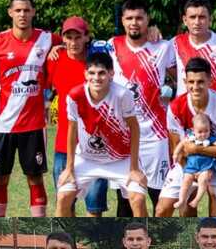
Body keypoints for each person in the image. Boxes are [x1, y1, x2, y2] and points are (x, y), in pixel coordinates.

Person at [0, 0, 60, 217]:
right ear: (10, 12)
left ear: (33, 12)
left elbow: (77, 41)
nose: (22, 14)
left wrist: (60, 48)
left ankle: (40, 224)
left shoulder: (48, 39)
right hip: (3, 123)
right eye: (18, 10)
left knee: (35, 177)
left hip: (34, 124)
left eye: (26, 10)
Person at [55, 51, 148, 217]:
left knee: (138, 199)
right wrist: (69, 168)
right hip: (87, 158)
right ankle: (65, 239)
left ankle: (145, 238)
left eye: (101, 73)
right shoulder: (75, 95)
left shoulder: (122, 95)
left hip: (120, 158)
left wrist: (134, 168)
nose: (96, 78)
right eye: (91, 73)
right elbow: (72, 129)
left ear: (111, 74)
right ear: (85, 74)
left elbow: (134, 128)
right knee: (62, 197)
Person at [108, 0, 176, 216]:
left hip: (155, 136)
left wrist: (171, 95)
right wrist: (59, 46)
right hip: (123, 136)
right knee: (126, 200)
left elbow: (182, 78)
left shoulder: (164, 47)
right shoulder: (112, 45)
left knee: (159, 197)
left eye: (139, 18)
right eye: (129, 18)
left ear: (148, 20)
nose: (134, 23)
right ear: (122, 20)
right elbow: (80, 48)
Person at [157, 57, 216, 216]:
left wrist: (197, 149)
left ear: (210, 80)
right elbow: (177, 148)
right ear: (185, 81)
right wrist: (191, 171)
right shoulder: (175, 107)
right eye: (191, 82)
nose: (195, 87)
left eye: (201, 82)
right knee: (163, 209)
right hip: (188, 165)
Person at [46, 15, 108, 217]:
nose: (73, 42)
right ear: (63, 39)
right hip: (64, 144)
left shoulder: (97, 64)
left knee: (94, 208)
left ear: (87, 37)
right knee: (64, 204)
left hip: (95, 146)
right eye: (68, 37)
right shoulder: (54, 60)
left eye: (78, 37)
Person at [173, 113, 216, 210]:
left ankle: (197, 200)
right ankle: (181, 200)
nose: (203, 134)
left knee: (203, 180)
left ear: (210, 129)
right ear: (193, 130)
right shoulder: (190, 137)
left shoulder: (210, 139)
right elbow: (181, 144)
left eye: (206, 131)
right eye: (200, 132)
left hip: (206, 167)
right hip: (191, 166)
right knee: (186, 181)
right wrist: (175, 153)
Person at [172, 0, 216, 95]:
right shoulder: (175, 43)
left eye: (202, 17)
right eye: (192, 17)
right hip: (184, 108)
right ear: (185, 20)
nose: (197, 22)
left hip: (215, 106)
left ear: (210, 19)